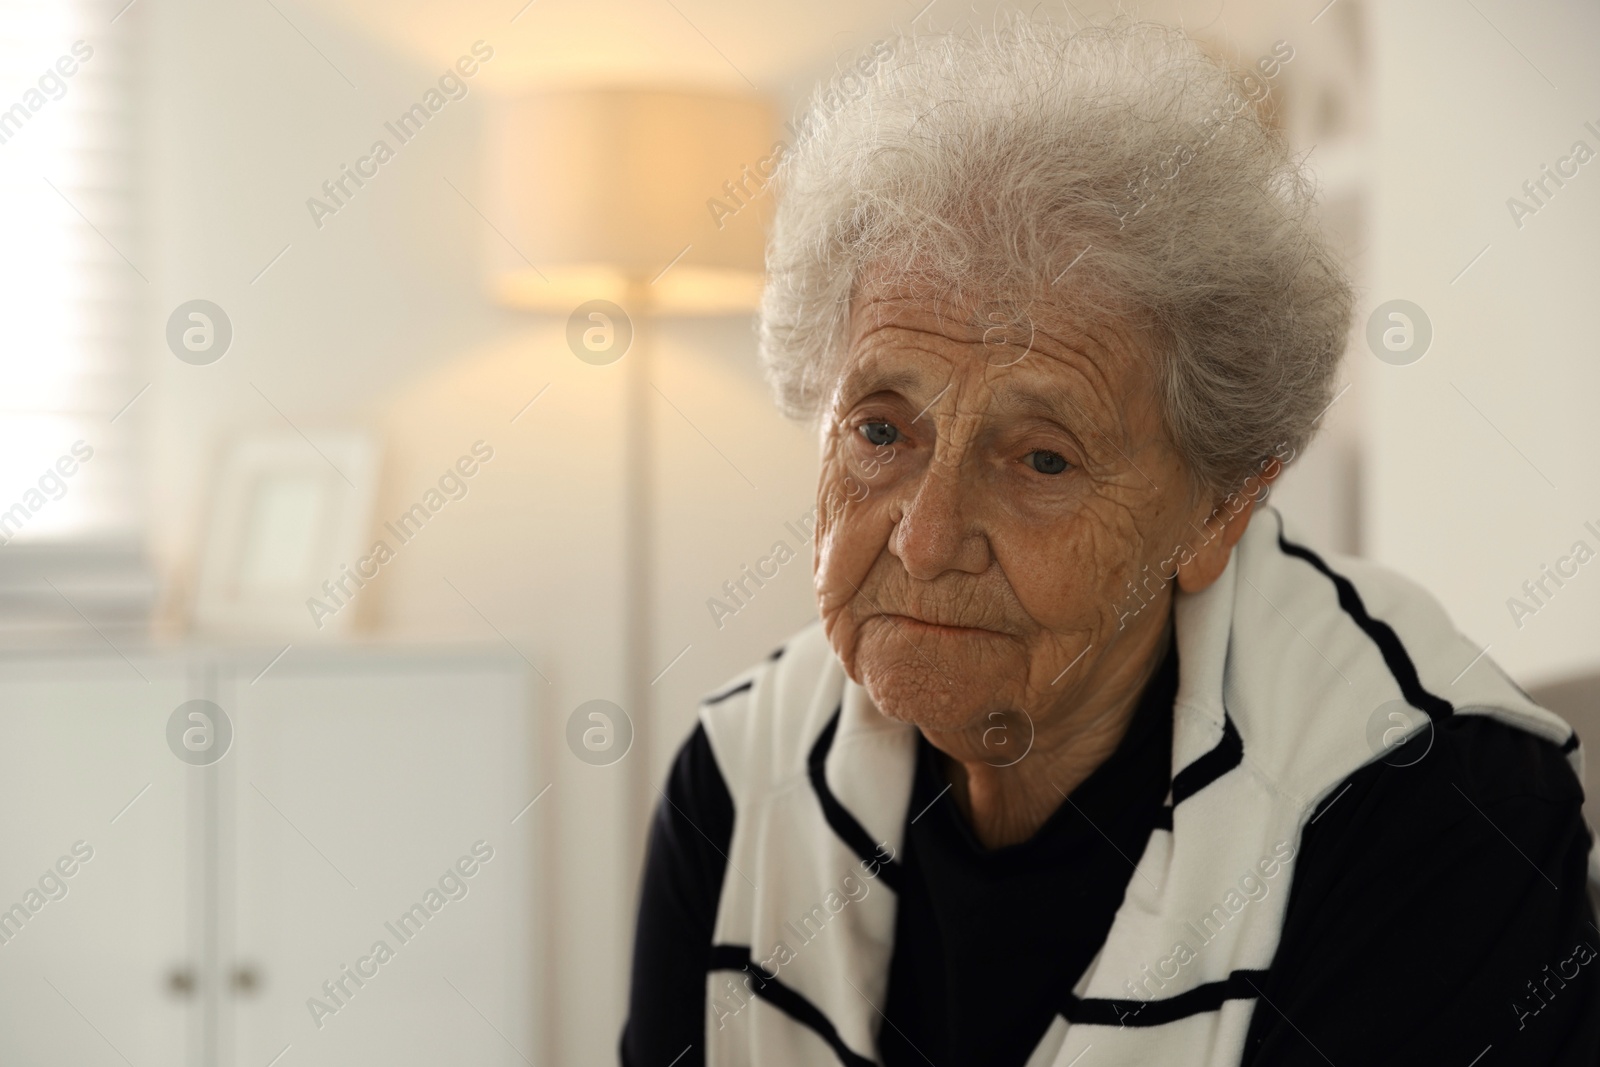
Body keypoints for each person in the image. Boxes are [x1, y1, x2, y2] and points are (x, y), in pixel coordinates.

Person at [622, 16, 1600, 1066]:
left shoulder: (1433, 806)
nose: (926, 536)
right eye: (879, 430)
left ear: (1219, 509)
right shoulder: (738, 780)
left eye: (1040, 458)